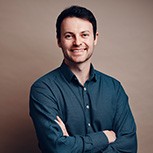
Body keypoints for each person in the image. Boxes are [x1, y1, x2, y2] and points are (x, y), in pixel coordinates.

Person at [29, 5, 137, 153]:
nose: (77, 42)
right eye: (69, 35)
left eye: (84, 34)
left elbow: (129, 147)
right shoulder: (43, 89)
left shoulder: (114, 88)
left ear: (95, 38)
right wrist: (105, 137)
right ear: (59, 41)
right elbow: (57, 148)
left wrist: (70, 144)